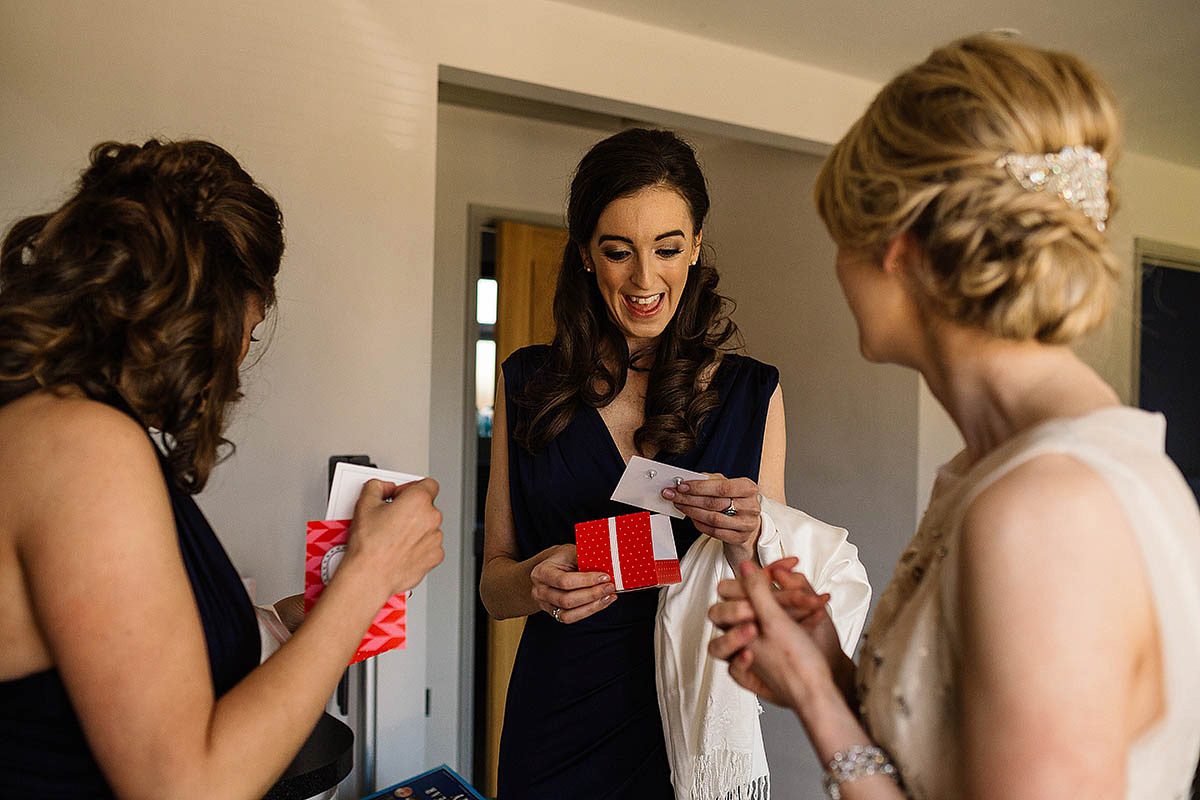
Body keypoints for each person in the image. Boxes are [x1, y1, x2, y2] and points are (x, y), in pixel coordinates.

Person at [708, 34, 1200, 800]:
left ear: (896, 250)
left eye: (840, 236)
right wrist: (831, 669)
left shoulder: (1049, 512)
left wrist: (812, 699)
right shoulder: (1008, 473)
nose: (837, 269)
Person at [0, 139, 445, 798]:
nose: (240, 355)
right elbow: (186, 786)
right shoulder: (84, 445)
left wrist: (299, 614)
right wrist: (368, 574)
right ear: (206, 311)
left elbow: (137, 652)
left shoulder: (52, 418)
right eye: (249, 326)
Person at [479, 128, 870, 799]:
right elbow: (493, 585)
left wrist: (751, 531)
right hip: (557, 725)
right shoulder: (525, 384)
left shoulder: (753, 393)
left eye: (666, 248)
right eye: (617, 252)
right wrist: (536, 582)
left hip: (690, 725)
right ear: (584, 256)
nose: (643, 280)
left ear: (694, 247)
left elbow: (763, 593)